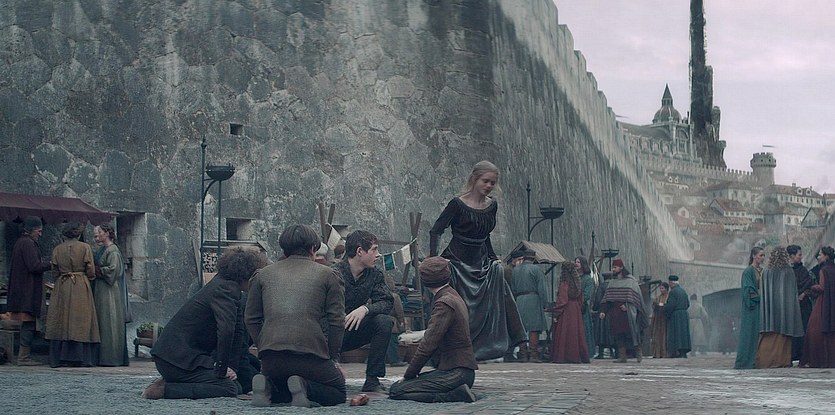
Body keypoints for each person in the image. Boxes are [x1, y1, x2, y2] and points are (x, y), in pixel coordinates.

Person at [428, 160, 526, 361]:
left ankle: (516, 339)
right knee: (454, 309)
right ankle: (447, 351)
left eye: (492, 182)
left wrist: (493, 258)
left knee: (498, 274)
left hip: (480, 263)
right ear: (475, 179)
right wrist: (435, 259)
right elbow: (436, 230)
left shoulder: (492, 206)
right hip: (456, 262)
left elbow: (485, 236)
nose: (489, 186)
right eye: (485, 181)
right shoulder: (457, 204)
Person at [143, 247, 268, 399]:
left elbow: (237, 332)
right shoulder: (225, 289)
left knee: (236, 385)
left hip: (182, 356)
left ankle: (175, 382)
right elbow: (226, 330)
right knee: (229, 388)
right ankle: (165, 390)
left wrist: (232, 368)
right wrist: (222, 368)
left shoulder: (225, 286)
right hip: (176, 359)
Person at [245, 224, 346, 407]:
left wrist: (263, 347)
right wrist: (331, 357)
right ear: (313, 249)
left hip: (271, 358)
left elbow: (251, 319)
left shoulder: (262, 275)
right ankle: (305, 387)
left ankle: (267, 386)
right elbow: (337, 321)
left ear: (284, 248)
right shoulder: (328, 275)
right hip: (310, 355)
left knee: (283, 381)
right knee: (338, 392)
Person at [389, 257, 478, 403]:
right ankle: (458, 392)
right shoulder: (452, 295)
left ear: (425, 281)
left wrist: (409, 375)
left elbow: (428, 344)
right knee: (405, 386)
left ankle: (453, 396)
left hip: (456, 373)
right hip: (460, 370)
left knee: (397, 390)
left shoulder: (444, 303)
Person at [332, 230, 393, 392]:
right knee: (331, 386)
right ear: (360, 251)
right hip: (328, 334)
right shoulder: (333, 274)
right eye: (374, 249)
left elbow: (387, 301)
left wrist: (365, 309)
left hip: (352, 331)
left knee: (384, 322)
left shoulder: (374, 274)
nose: (378, 255)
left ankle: (372, 380)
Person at [44, 222, 99, 368]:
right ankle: (83, 358)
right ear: (78, 234)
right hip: (80, 283)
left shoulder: (58, 249)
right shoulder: (85, 247)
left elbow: (55, 270)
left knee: (60, 318)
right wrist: (89, 277)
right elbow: (90, 269)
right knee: (81, 318)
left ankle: (58, 358)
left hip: (62, 284)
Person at [7, 216, 51, 365]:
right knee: (28, 323)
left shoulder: (21, 242)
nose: (40, 234)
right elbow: (34, 266)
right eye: (39, 231)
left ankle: (23, 356)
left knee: (27, 324)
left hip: (22, 290)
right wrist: (51, 264)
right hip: (27, 291)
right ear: (31, 230)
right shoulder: (27, 243)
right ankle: (23, 357)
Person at [755, 246, 804, 369]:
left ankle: (765, 361)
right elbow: (792, 293)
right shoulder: (788, 271)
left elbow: (762, 292)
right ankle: (782, 361)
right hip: (784, 312)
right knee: (784, 335)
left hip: (770, 312)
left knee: (768, 336)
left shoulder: (766, 271)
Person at [91, 223, 129, 367]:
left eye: (99, 233)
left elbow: (113, 271)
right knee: (102, 321)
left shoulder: (113, 251)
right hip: (100, 290)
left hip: (109, 292)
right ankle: (101, 356)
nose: (96, 237)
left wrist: (97, 270)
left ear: (106, 233)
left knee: (110, 321)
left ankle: (111, 357)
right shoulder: (102, 250)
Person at [599, 259, 647, 363]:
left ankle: (638, 353)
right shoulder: (612, 282)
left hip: (627, 313)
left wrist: (628, 306)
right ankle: (622, 356)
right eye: (613, 267)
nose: (613, 269)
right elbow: (607, 299)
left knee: (632, 334)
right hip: (615, 313)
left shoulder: (631, 282)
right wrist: (603, 311)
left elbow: (636, 298)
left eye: (615, 267)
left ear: (621, 267)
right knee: (619, 336)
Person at [800, 246, 835, 367]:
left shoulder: (823, 270)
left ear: (826, 256)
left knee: (813, 328)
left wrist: (813, 287)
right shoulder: (833, 268)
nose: (818, 257)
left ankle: (817, 359)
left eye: (820, 255)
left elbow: (822, 287)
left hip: (823, 302)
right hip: (831, 302)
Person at [511, 249, 548, 362]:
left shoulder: (515, 270)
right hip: (533, 300)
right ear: (534, 258)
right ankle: (533, 355)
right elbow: (542, 289)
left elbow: (513, 288)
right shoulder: (537, 270)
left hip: (519, 300)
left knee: (521, 328)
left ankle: (523, 354)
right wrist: (544, 303)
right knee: (534, 328)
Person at [550, 261, 590, 363]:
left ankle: (564, 356)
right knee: (575, 333)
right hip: (575, 309)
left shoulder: (565, 283)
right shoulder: (577, 283)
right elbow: (581, 299)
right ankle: (576, 356)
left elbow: (562, 300)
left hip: (566, 310)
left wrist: (556, 313)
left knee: (565, 332)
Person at [734, 246, 765, 369]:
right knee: (749, 333)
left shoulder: (762, 271)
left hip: (760, 307)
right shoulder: (748, 271)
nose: (763, 258)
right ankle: (745, 361)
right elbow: (747, 290)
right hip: (751, 307)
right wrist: (760, 298)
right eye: (760, 255)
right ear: (754, 256)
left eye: (763, 255)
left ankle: (757, 360)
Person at [787, 244, 814, 362]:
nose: (800, 257)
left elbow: (809, 285)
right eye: (799, 255)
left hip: (803, 307)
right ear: (792, 256)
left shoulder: (803, 271)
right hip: (791, 307)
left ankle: (803, 354)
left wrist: (804, 293)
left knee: (804, 329)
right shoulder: (786, 271)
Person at [664, 275, 691, 358]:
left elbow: (671, 305)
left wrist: (665, 311)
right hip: (684, 314)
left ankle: (677, 352)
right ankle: (683, 352)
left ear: (671, 283)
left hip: (676, 315)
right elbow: (688, 304)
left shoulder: (673, 292)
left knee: (677, 334)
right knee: (683, 334)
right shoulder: (683, 291)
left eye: (669, 283)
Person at [576, 256, 596, 359]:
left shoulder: (587, 279)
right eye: (576, 262)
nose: (576, 264)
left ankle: (586, 352)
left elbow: (587, 294)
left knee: (584, 329)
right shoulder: (574, 277)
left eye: (578, 262)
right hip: (573, 307)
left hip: (582, 307)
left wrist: (579, 301)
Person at [651, 282, 670, 358]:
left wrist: (663, 305)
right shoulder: (658, 297)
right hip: (658, 319)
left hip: (666, 319)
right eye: (660, 288)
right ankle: (658, 353)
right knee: (658, 336)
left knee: (665, 335)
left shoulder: (669, 297)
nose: (661, 290)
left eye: (662, 288)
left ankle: (665, 353)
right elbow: (654, 305)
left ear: (666, 289)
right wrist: (656, 305)